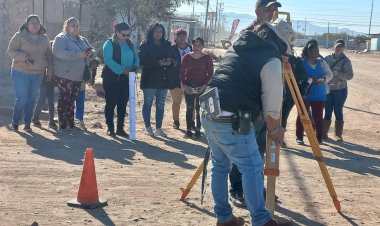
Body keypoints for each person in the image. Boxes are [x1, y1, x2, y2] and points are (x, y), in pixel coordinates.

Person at [202, 17, 290, 226]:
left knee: (220, 166)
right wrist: (276, 130)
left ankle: (224, 218)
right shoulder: (271, 60)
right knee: (251, 167)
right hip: (231, 116)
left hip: (208, 108)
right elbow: (272, 109)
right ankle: (261, 219)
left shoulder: (238, 47)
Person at [228, 0, 283, 209]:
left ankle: (256, 188)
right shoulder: (246, 33)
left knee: (259, 149)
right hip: (244, 101)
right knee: (241, 147)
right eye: (269, 9)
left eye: (274, 9)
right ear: (258, 10)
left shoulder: (275, 34)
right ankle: (237, 188)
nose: (272, 13)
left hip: (264, 104)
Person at [7, 15, 53, 132]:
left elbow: (48, 54)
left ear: (40, 25)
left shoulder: (44, 38)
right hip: (20, 71)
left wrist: (50, 70)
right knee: (22, 98)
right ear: (27, 24)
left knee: (31, 98)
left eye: (37, 22)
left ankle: (27, 124)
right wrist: (23, 57)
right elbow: (10, 51)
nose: (35, 25)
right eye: (32, 22)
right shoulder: (19, 36)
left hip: (38, 73)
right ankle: (15, 122)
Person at [52, 17, 96, 131]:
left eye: (77, 25)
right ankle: (62, 123)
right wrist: (78, 54)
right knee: (64, 99)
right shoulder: (61, 38)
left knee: (72, 99)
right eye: (72, 25)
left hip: (78, 75)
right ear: (66, 26)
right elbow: (58, 52)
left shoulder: (82, 39)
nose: (75, 28)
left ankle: (71, 122)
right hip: (65, 75)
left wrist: (90, 54)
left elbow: (93, 51)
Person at [139, 23, 179, 137]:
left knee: (161, 104)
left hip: (163, 79)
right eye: (156, 31)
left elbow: (176, 59)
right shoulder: (145, 45)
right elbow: (142, 61)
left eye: (160, 31)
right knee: (148, 103)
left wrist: (170, 62)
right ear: (151, 32)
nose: (158, 33)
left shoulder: (167, 45)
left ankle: (158, 128)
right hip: (149, 79)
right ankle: (148, 127)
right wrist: (157, 63)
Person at [101, 22, 139, 137]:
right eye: (124, 35)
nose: (126, 37)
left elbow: (136, 57)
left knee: (122, 104)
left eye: (128, 35)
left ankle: (120, 128)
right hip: (112, 78)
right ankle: (110, 128)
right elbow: (108, 60)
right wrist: (122, 70)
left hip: (127, 79)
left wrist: (135, 67)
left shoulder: (130, 43)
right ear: (117, 32)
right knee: (111, 103)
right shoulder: (109, 44)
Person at [296, 42, 333, 144]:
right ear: (308, 52)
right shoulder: (301, 62)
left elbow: (329, 74)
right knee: (302, 115)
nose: (316, 54)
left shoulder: (322, 62)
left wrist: (322, 80)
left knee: (318, 116)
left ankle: (319, 136)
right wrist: (306, 79)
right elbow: (297, 75)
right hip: (304, 94)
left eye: (317, 51)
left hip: (319, 94)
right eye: (314, 52)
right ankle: (299, 136)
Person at [180, 37, 213, 139]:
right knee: (189, 108)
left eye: (199, 45)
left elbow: (210, 73)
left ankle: (198, 129)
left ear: (203, 46)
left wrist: (204, 85)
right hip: (189, 85)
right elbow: (181, 73)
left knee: (199, 109)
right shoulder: (187, 57)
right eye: (194, 45)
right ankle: (188, 129)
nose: (196, 47)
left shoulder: (207, 58)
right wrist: (185, 85)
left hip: (201, 86)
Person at [323, 39, 354, 142]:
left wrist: (338, 74)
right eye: (337, 46)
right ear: (334, 46)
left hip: (340, 90)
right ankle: (324, 133)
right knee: (327, 111)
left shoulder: (346, 61)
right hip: (328, 90)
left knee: (338, 111)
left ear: (344, 48)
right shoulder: (327, 58)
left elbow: (350, 75)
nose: (338, 48)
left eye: (341, 47)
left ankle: (338, 134)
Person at [169, 29, 192, 130]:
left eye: (184, 36)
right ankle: (176, 121)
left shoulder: (191, 48)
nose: (182, 38)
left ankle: (192, 121)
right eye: (180, 36)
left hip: (190, 79)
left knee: (191, 102)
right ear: (175, 37)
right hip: (175, 79)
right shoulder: (171, 49)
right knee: (177, 101)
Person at [32, 41, 57, 130]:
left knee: (51, 102)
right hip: (43, 81)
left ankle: (51, 121)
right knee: (41, 100)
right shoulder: (44, 56)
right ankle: (35, 118)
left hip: (51, 81)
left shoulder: (53, 57)